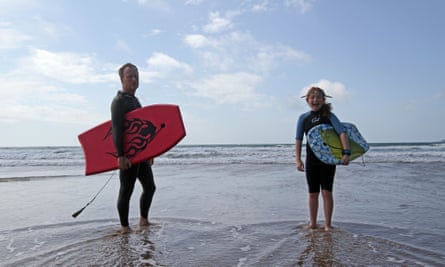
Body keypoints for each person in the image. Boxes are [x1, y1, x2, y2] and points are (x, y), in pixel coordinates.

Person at [295, 86, 350, 231]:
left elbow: (342, 133)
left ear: (323, 99)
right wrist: (298, 159)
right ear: (307, 100)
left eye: (318, 97)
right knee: (312, 193)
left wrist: (346, 153)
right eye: (312, 97)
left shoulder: (329, 116)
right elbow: (299, 139)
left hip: (327, 160)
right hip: (311, 160)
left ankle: (327, 224)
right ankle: (312, 223)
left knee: (327, 192)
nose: (315, 100)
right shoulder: (303, 118)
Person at [111, 62, 156, 234]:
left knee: (150, 187)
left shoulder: (136, 101)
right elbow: (116, 128)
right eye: (129, 76)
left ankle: (143, 220)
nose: (134, 79)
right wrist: (120, 155)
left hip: (141, 154)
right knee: (126, 190)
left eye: (136, 76)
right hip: (128, 155)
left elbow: (142, 129)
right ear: (122, 79)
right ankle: (124, 227)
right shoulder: (119, 101)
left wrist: (150, 153)